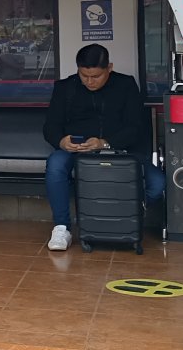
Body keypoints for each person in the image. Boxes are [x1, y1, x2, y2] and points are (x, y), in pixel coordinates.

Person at [43, 43, 166, 251]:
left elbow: (135, 127)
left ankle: (119, 216)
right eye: (84, 75)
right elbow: (50, 126)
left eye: (96, 76)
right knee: (55, 164)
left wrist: (105, 142)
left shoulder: (125, 85)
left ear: (109, 68)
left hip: (120, 151)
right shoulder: (66, 87)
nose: (89, 81)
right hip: (78, 151)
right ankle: (62, 228)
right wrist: (62, 141)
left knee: (157, 183)